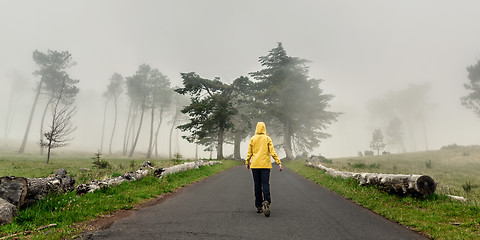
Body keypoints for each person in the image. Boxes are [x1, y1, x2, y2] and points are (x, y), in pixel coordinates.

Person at [245, 122, 282, 217]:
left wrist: (247, 162)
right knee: (265, 184)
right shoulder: (267, 138)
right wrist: (279, 162)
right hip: (265, 165)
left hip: (255, 165)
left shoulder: (253, 139)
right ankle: (266, 201)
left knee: (257, 185)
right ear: (264, 128)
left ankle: (258, 206)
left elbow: (249, 152)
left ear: (256, 128)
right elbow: (272, 152)